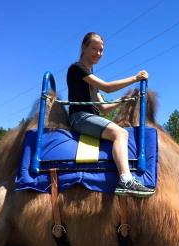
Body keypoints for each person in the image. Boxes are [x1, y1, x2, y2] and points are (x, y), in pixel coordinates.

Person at [66, 32, 154, 197]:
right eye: (94, 48)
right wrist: (135, 78)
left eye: (101, 50)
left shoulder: (89, 76)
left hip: (92, 117)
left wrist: (125, 99)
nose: (98, 53)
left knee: (120, 130)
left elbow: (104, 108)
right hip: (80, 117)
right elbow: (107, 87)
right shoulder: (77, 69)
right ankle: (126, 179)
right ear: (84, 48)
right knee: (120, 133)